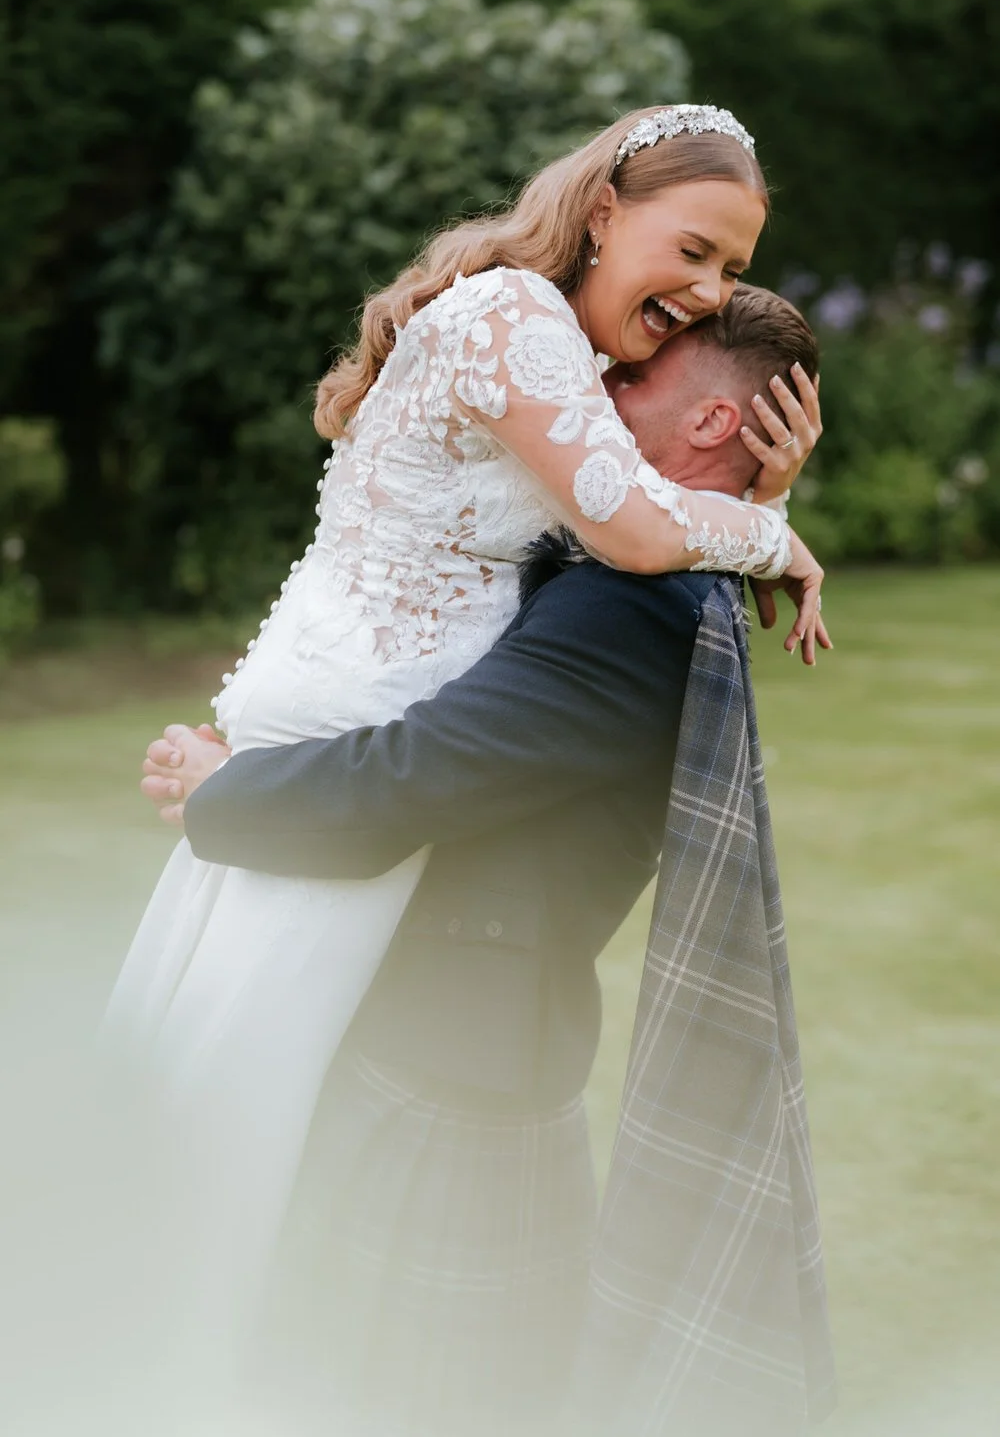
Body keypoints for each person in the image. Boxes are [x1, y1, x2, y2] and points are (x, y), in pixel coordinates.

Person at [103, 104, 827, 1412]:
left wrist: (227, 796)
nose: (591, 407)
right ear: (604, 208)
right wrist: (761, 520)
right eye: (695, 254)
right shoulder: (585, 495)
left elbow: (421, 775)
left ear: (715, 431)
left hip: (454, 1084)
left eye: (639, 388)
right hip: (452, 1059)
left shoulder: (634, 594)